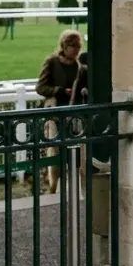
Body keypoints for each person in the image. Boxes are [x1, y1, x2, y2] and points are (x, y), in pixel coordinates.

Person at [35, 29, 84, 195]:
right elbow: (40, 87)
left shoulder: (79, 66)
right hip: (55, 111)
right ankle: (52, 187)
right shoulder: (52, 62)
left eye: (77, 46)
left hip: (73, 113)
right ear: (64, 46)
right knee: (54, 149)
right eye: (72, 46)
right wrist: (60, 91)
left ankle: (74, 186)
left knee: (75, 150)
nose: (75, 49)